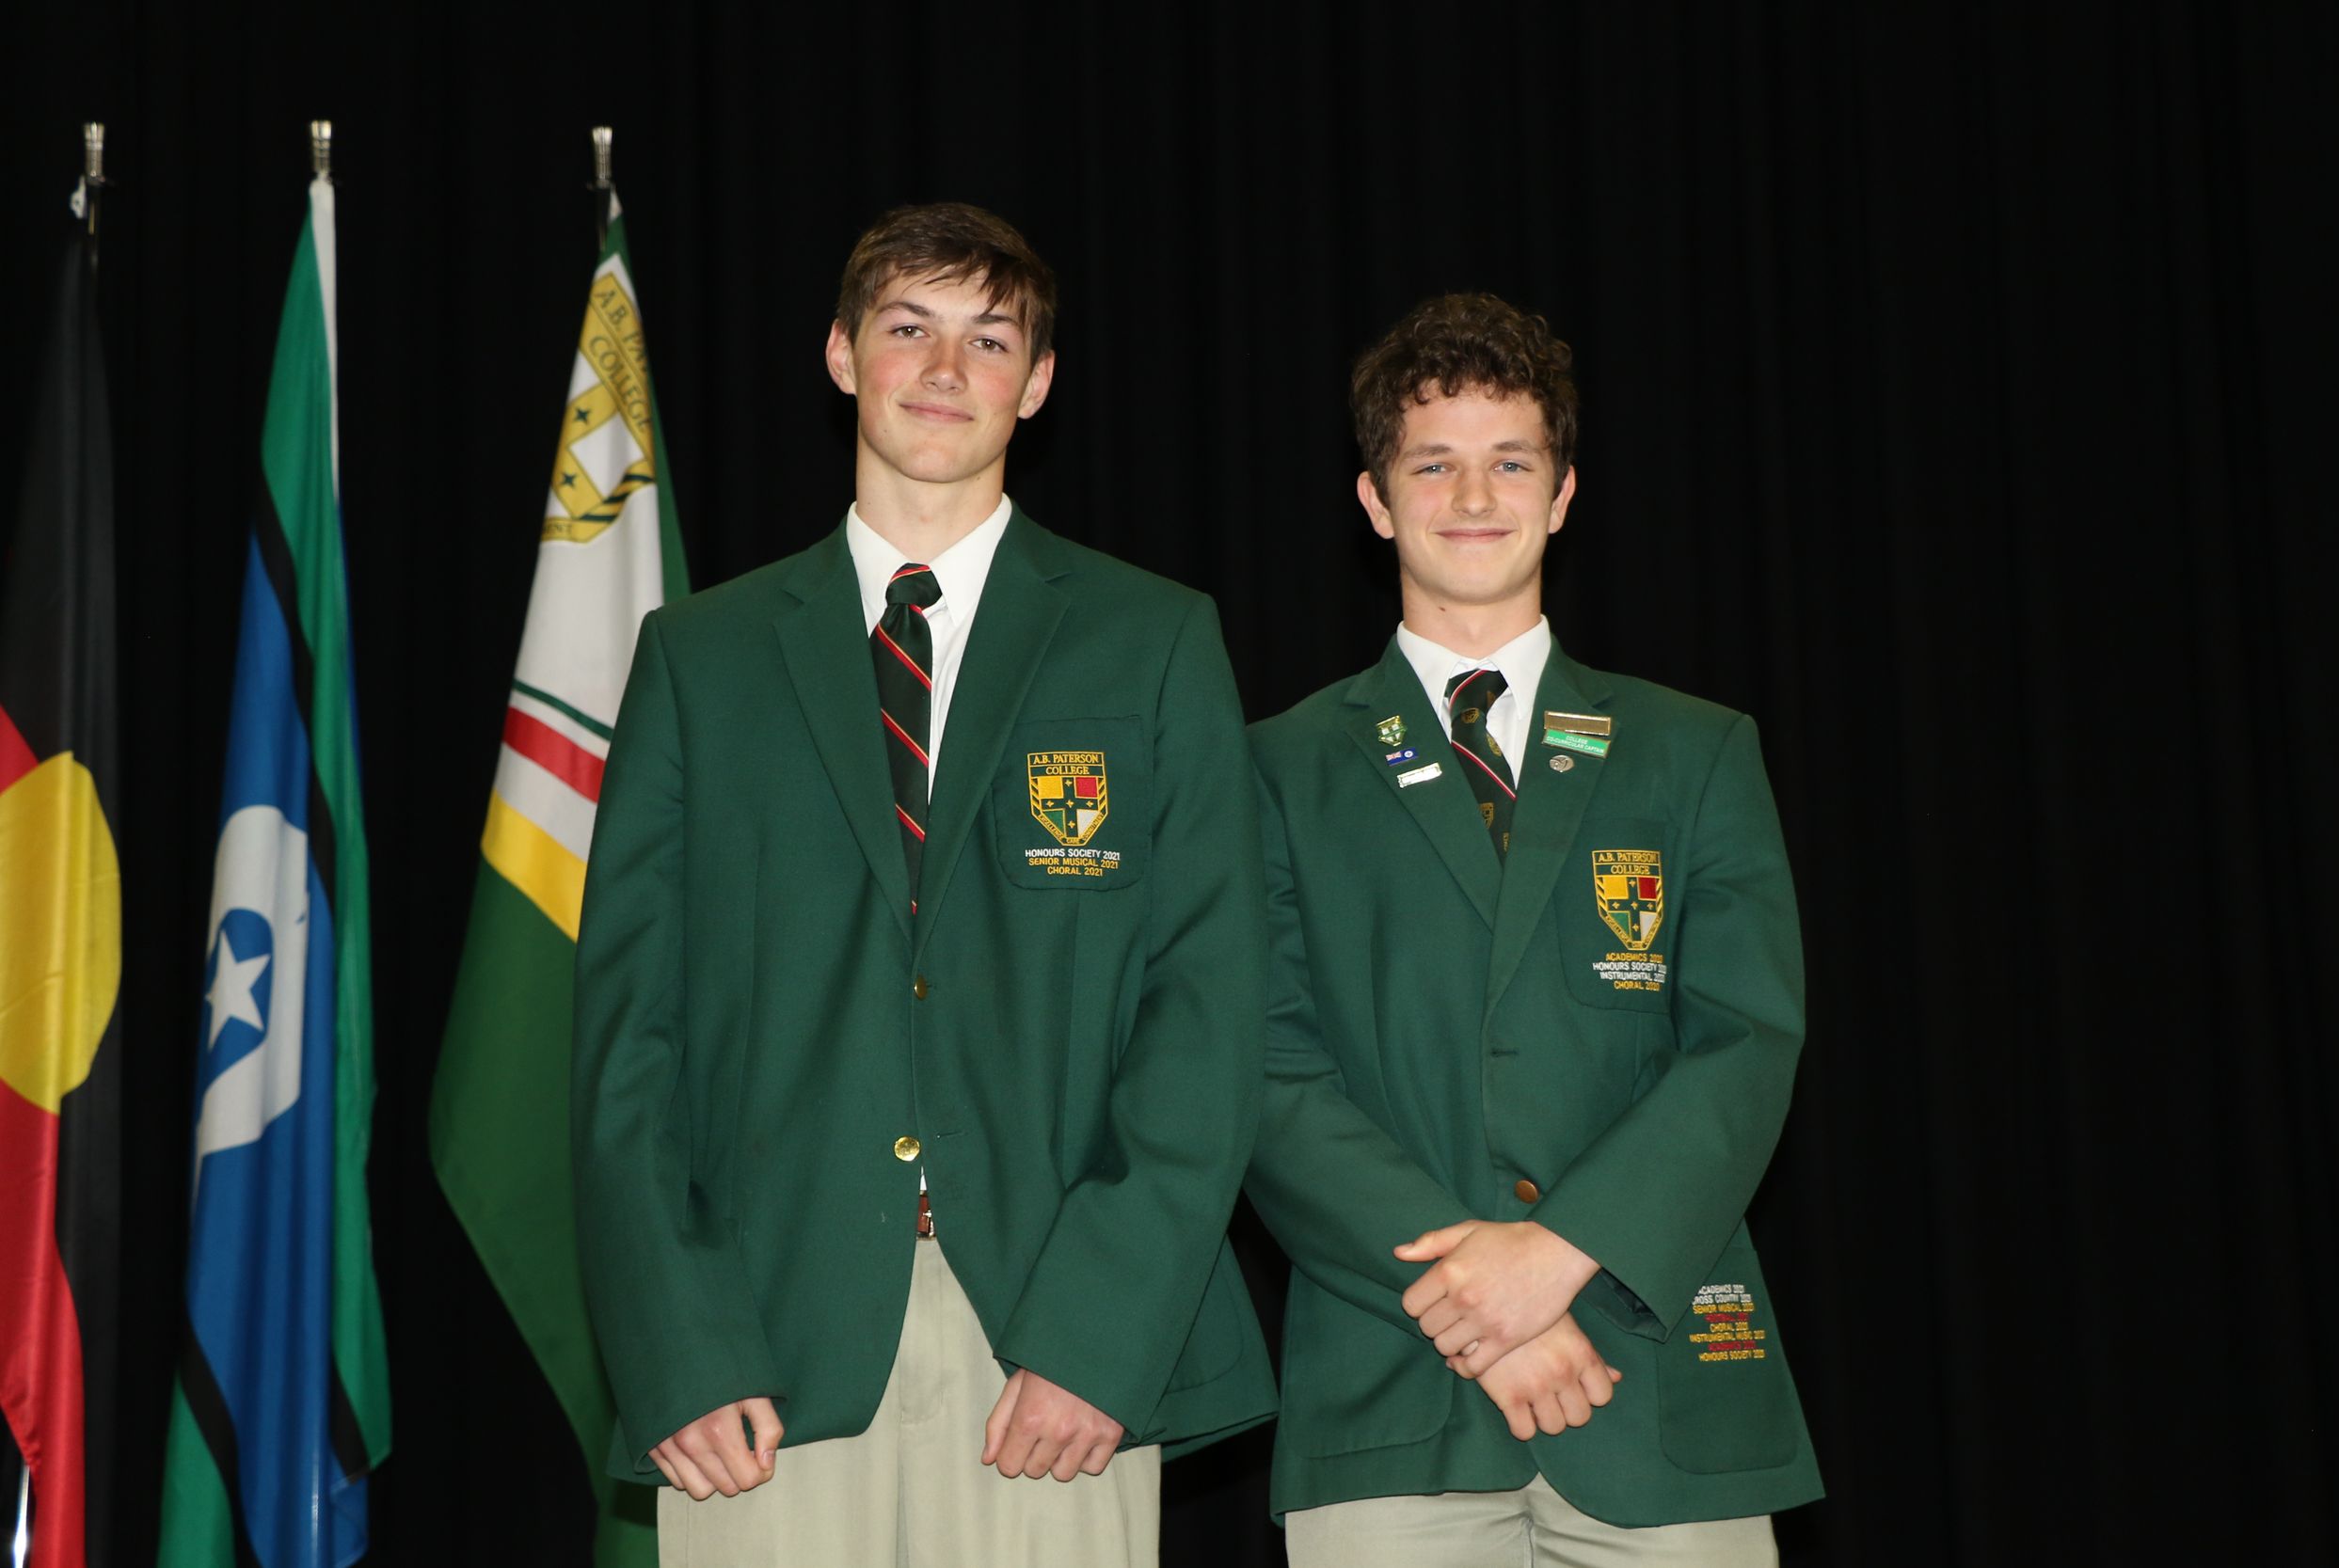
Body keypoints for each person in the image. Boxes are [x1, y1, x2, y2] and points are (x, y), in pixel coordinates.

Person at [573, 201, 1273, 1566]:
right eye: (910, 328)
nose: (947, 370)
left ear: (1039, 382)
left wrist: (1103, 1332)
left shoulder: (1152, 642)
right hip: (759, 1357)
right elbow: (626, 1040)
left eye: (990, 339)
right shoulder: (699, 659)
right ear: (843, 355)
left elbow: (1208, 1011)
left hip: (1052, 1351)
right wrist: (678, 1345)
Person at [1244, 293, 1822, 1566]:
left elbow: (1745, 1046)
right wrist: (1480, 1307)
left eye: (1511, 462)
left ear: (1562, 495)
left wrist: (1557, 1257)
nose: (1473, 496)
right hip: (1394, 1388)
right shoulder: (1272, 771)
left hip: (1654, 1379)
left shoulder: (1694, 753)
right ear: (1374, 500)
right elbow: (1264, 1072)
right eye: (1431, 464)